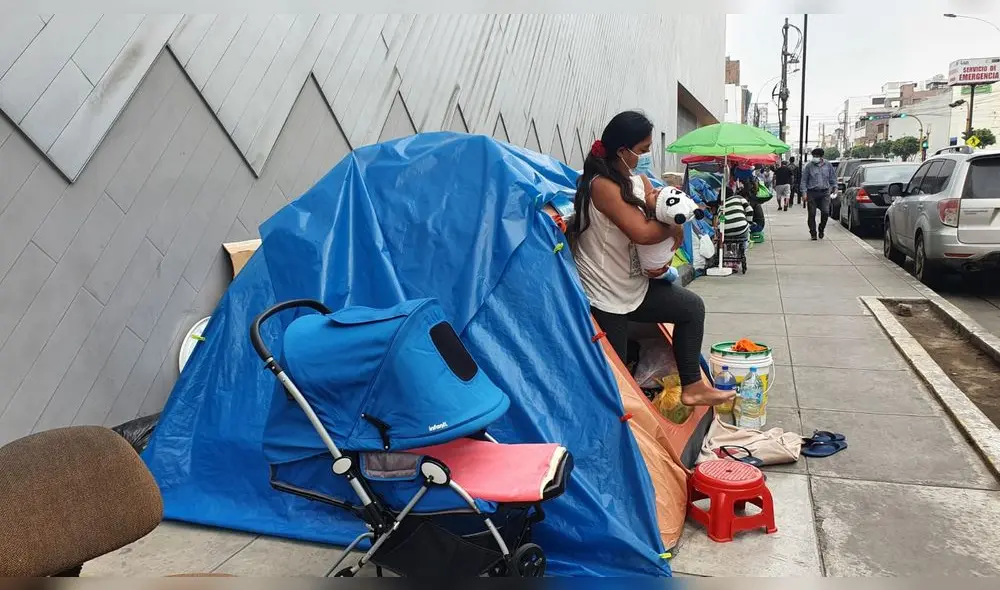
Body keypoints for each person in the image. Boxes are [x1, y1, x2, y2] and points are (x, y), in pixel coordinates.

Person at [569, 111, 734, 407]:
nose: (645, 157)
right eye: (642, 150)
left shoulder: (633, 179)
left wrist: (672, 216)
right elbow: (643, 232)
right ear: (622, 151)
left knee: (691, 308)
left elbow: (657, 206)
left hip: (634, 285)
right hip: (606, 294)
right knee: (617, 387)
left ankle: (693, 386)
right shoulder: (600, 185)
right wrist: (674, 226)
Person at [800, 148, 838, 240]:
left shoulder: (828, 165)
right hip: (812, 193)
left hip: (824, 192)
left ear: (821, 157)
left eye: (817, 156)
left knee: (825, 212)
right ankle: (813, 232)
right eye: (814, 156)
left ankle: (821, 229)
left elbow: (833, 178)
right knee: (812, 214)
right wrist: (804, 193)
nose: (815, 158)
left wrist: (835, 188)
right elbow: (804, 180)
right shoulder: (809, 166)